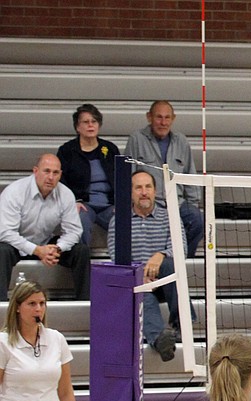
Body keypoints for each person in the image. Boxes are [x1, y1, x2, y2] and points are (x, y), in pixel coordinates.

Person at [107, 171, 180, 361]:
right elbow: (117, 259)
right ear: (130, 193)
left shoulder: (169, 217)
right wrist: (139, 276)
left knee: (171, 264)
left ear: (155, 191)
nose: (144, 192)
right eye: (138, 188)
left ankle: (180, 325)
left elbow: (181, 249)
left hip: (165, 281)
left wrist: (160, 255)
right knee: (142, 294)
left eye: (148, 187)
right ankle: (161, 341)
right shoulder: (119, 221)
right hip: (137, 282)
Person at [0, 154, 91, 301]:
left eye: (55, 173)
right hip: (17, 245)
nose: (50, 177)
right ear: (35, 171)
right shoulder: (15, 192)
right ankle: (1, 307)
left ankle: (86, 304)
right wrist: (36, 250)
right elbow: (5, 232)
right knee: (1, 251)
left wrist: (58, 248)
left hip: (47, 244)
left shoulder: (66, 194)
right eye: (46, 171)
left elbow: (74, 231)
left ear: (60, 175)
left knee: (81, 251)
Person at [123, 100, 204, 257]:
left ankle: (180, 259)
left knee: (197, 220)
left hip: (178, 203)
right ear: (149, 117)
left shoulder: (181, 141)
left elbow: (189, 174)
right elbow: (129, 175)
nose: (163, 122)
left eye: (167, 118)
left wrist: (193, 204)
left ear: (173, 119)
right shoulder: (137, 139)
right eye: (158, 117)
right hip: (152, 203)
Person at [56, 103, 121, 246]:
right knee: (80, 221)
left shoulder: (110, 149)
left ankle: (123, 265)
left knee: (124, 221)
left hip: (109, 205)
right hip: (83, 204)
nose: (90, 125)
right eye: (86, 122)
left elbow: (121, 179)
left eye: (94, 121)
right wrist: (74, 201)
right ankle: (82, 262)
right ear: (77, 127)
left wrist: (120, 203)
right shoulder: (67, 151)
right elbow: (60, 181)